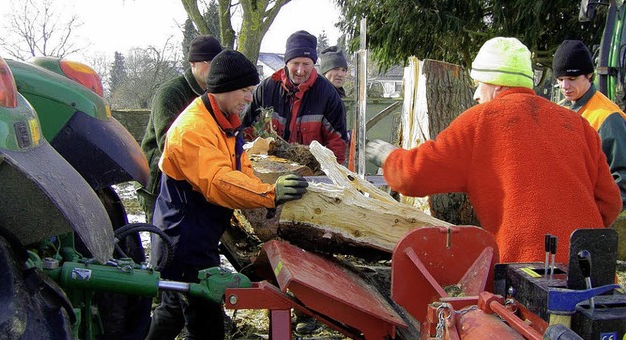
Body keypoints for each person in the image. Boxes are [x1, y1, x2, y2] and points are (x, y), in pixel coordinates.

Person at [366, 36, 622, 265]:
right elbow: (610, 203)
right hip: (593, 272)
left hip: (528, 275)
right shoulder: (577, 124)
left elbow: (414, 176)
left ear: (498, 84)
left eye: (479, 84)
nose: (476, 94)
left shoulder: (481, 122)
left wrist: (389, 157)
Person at [141, 49, 309, 340]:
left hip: (196, 235)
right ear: (225, 87)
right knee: (205, 327)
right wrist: (270, 195)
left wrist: (263, 194)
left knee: (172, 313)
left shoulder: (225, 121)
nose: (250, 97)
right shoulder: (194, 129)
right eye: (245, 90)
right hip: (181, 239)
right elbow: (218, 182)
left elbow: (240, 166)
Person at [137, 35, 223, 223]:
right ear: (193, 63)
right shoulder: (171, 92)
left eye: (219, 62)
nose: (216, 68)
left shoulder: (214, 95)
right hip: (159, 182)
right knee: (163, 241)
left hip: (193, 183)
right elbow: (167, 142)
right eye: (210, 62)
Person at [242, 30, 348, 164]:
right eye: (296, 63)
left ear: (313, 64)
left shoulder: (328, 94)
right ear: (286, 62)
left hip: (311, 174)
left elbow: (337, 144)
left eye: (306, 64)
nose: (300, 70)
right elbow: (247, 132)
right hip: (269, 169)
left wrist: (329, 175)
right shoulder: (267, 89)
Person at [553, 39, 626, 209]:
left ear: (589, 75)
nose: (565, 86)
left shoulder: (608, 118)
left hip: (590, 219)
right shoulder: (558, 110)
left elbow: (622, 179)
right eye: (560, 79)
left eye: (572, 78)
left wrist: (597, 216)